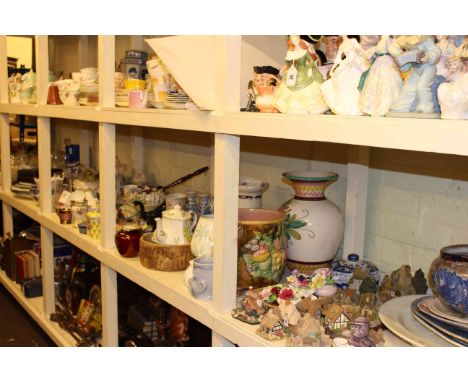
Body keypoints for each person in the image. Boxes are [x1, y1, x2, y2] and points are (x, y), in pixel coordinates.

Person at [273, 35, 328, 115]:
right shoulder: (291, 54)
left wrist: (309, 65)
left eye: (295, 42)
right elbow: (287, 65)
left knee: (308, 96)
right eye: (291, 43)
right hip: (291, 77)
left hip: (306, 77)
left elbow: (312, 62)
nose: (293, 44)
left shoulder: (306, 53)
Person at [390, 35, 442, 114]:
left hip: (428, 68)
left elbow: (436, 51)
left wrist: (429, 56)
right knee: (408, 87)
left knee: (422, 86)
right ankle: (402, 106)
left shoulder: (425, 39)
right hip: (416, 69)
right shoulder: (407, 43)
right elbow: (409, 60)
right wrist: (400, 65)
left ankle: (425, 107)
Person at [320, 36, 370, 115]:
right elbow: (338, 59)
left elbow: (360, 50)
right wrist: (333, 70)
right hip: (345, 65)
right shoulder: (342, 45)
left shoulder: (353, 41)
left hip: (354, 64)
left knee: (355, 84)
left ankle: (357, 107)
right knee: (342, 84)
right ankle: (345, 107)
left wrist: (363, 58)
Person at [358, 35, 403, 116]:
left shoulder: (389, 40)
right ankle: (373, 107)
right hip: (379, 63)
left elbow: (395, 51)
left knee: (386, 83)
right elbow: (376, 50)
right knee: (375, 83)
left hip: (387, 63)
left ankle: (386, 107)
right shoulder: (381, 40)